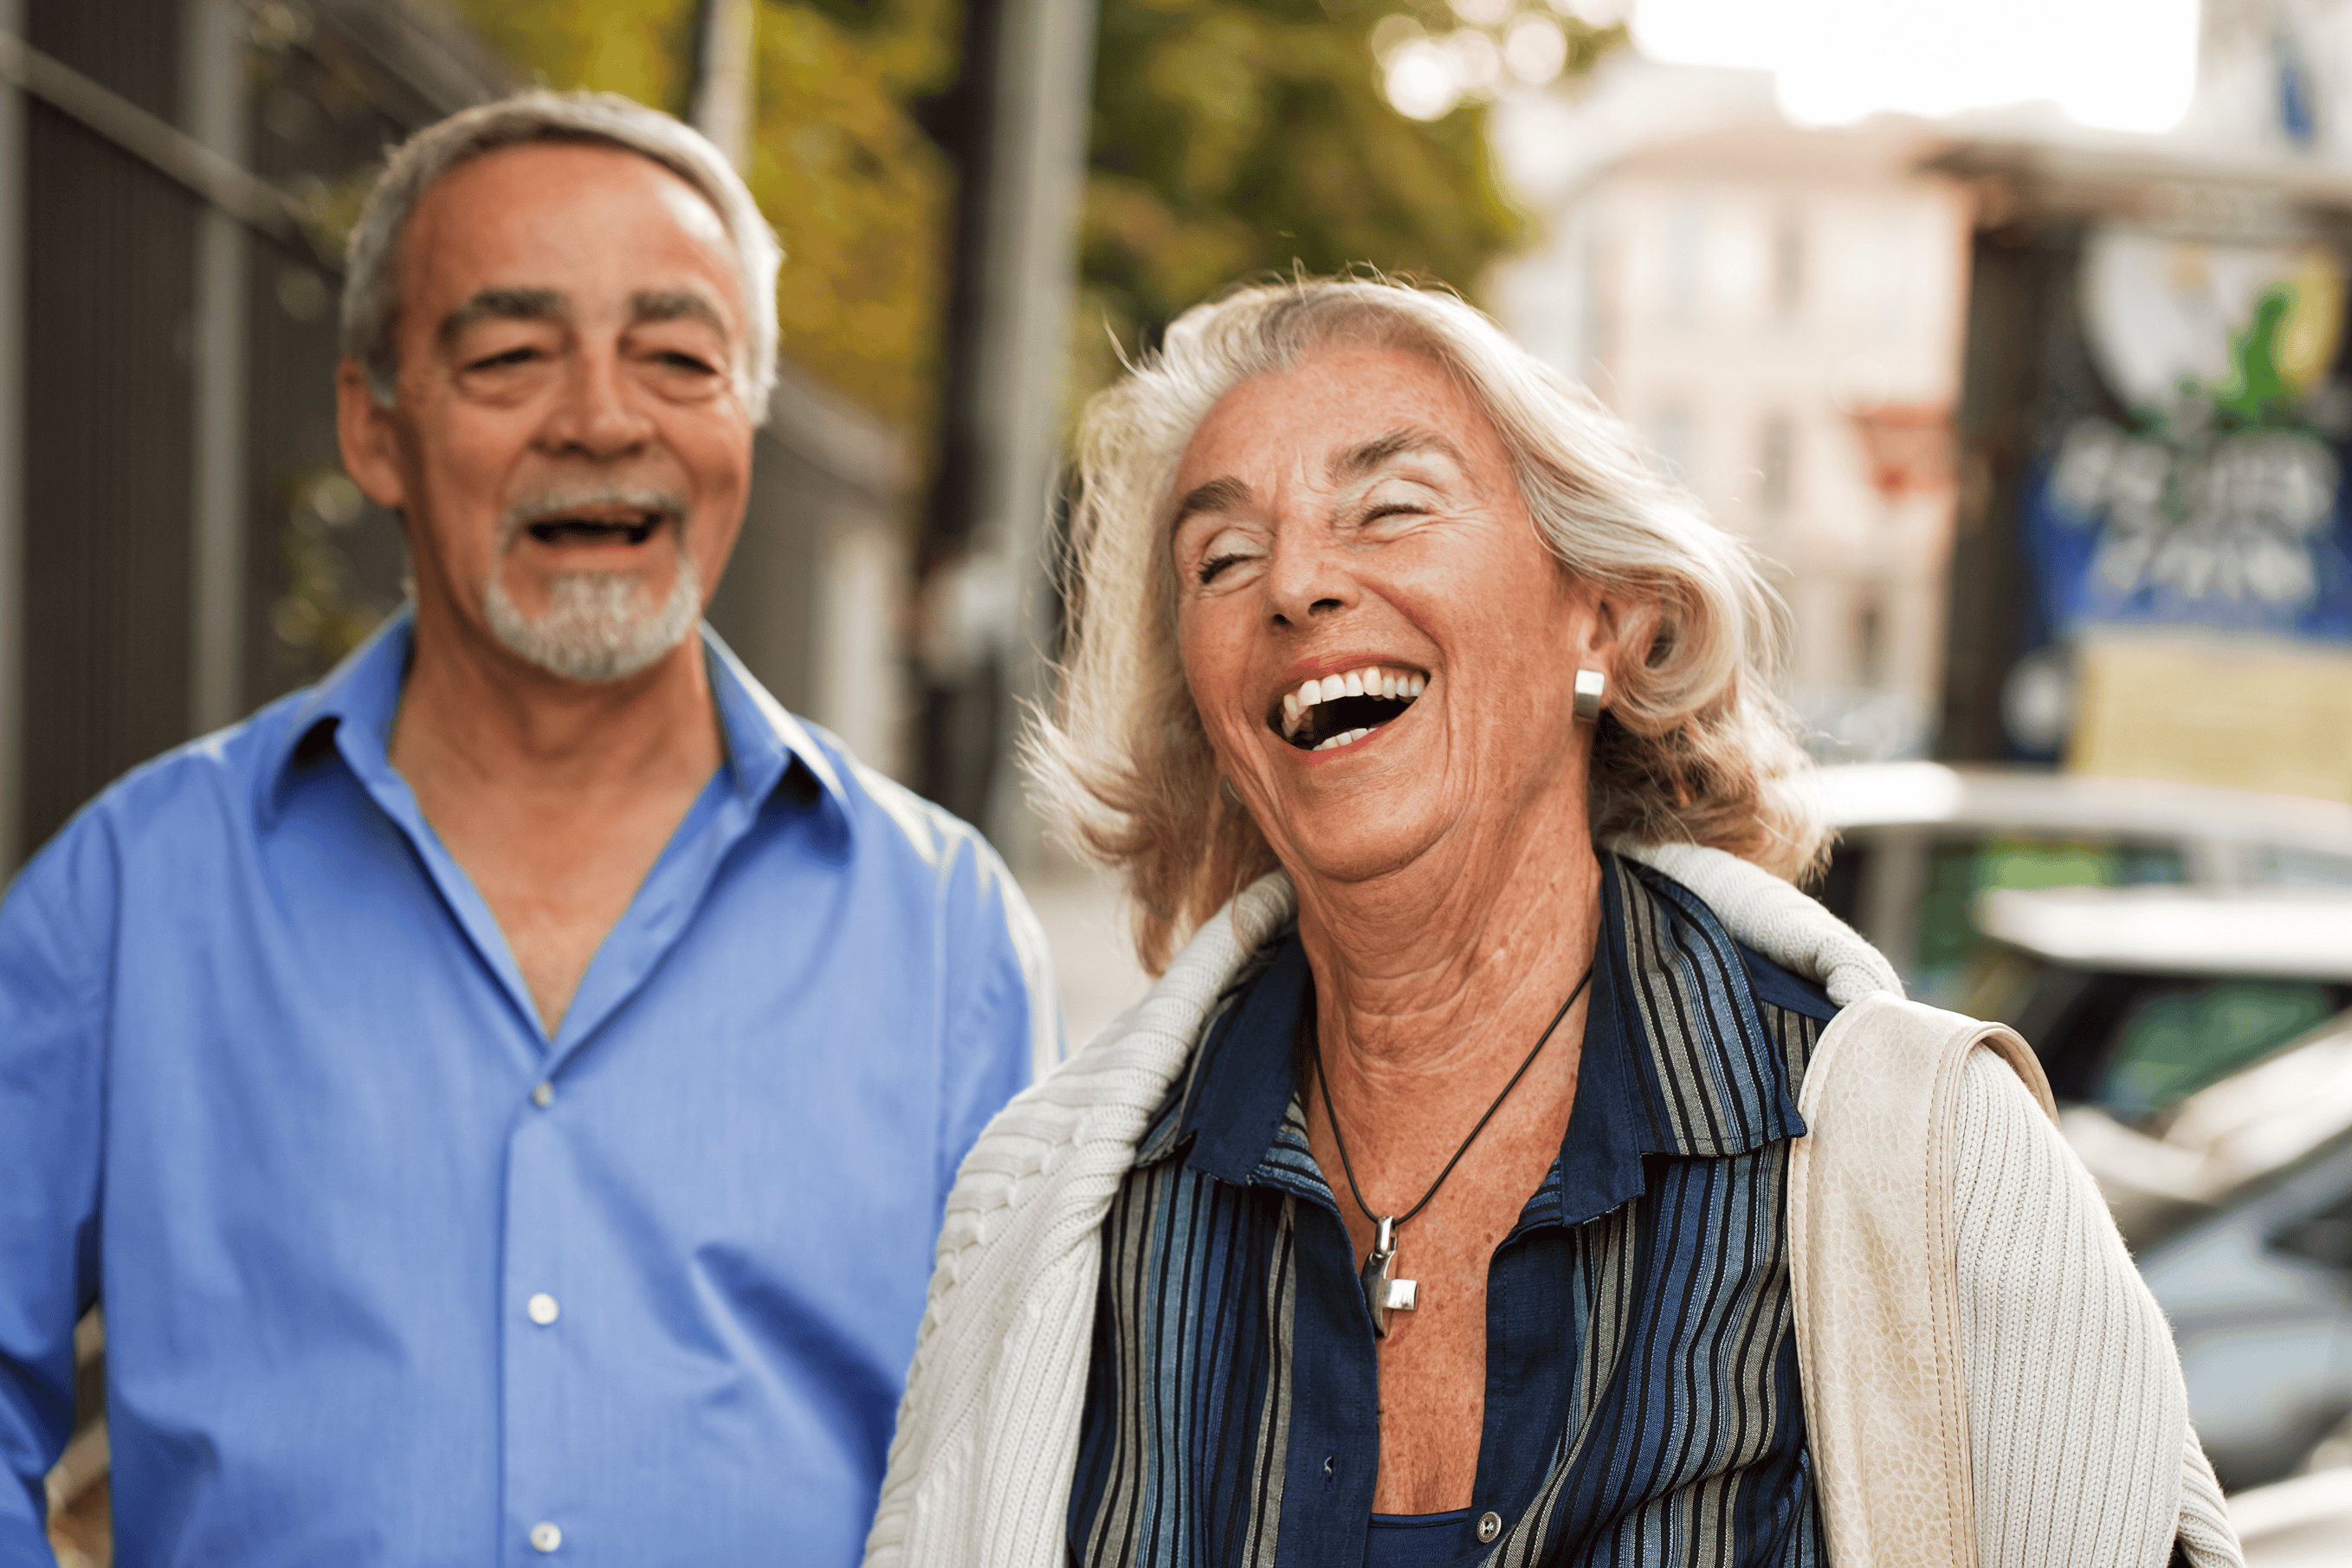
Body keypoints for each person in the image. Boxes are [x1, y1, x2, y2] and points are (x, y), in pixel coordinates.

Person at [863, 277, 2241, 1568]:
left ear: (1606, 619)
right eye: (1221, 557)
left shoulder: (1924, 1161)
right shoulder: (1055, 1207)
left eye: (1390, 506)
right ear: (1210, 714)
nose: (1294, 584)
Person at [0, 91, 1056, 1567]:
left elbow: (1033, 1463)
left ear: (745, 415)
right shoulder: (128, 894)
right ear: (374, 427)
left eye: (677, 357)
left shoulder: (945, 928)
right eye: (510, 356)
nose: (602, 418)